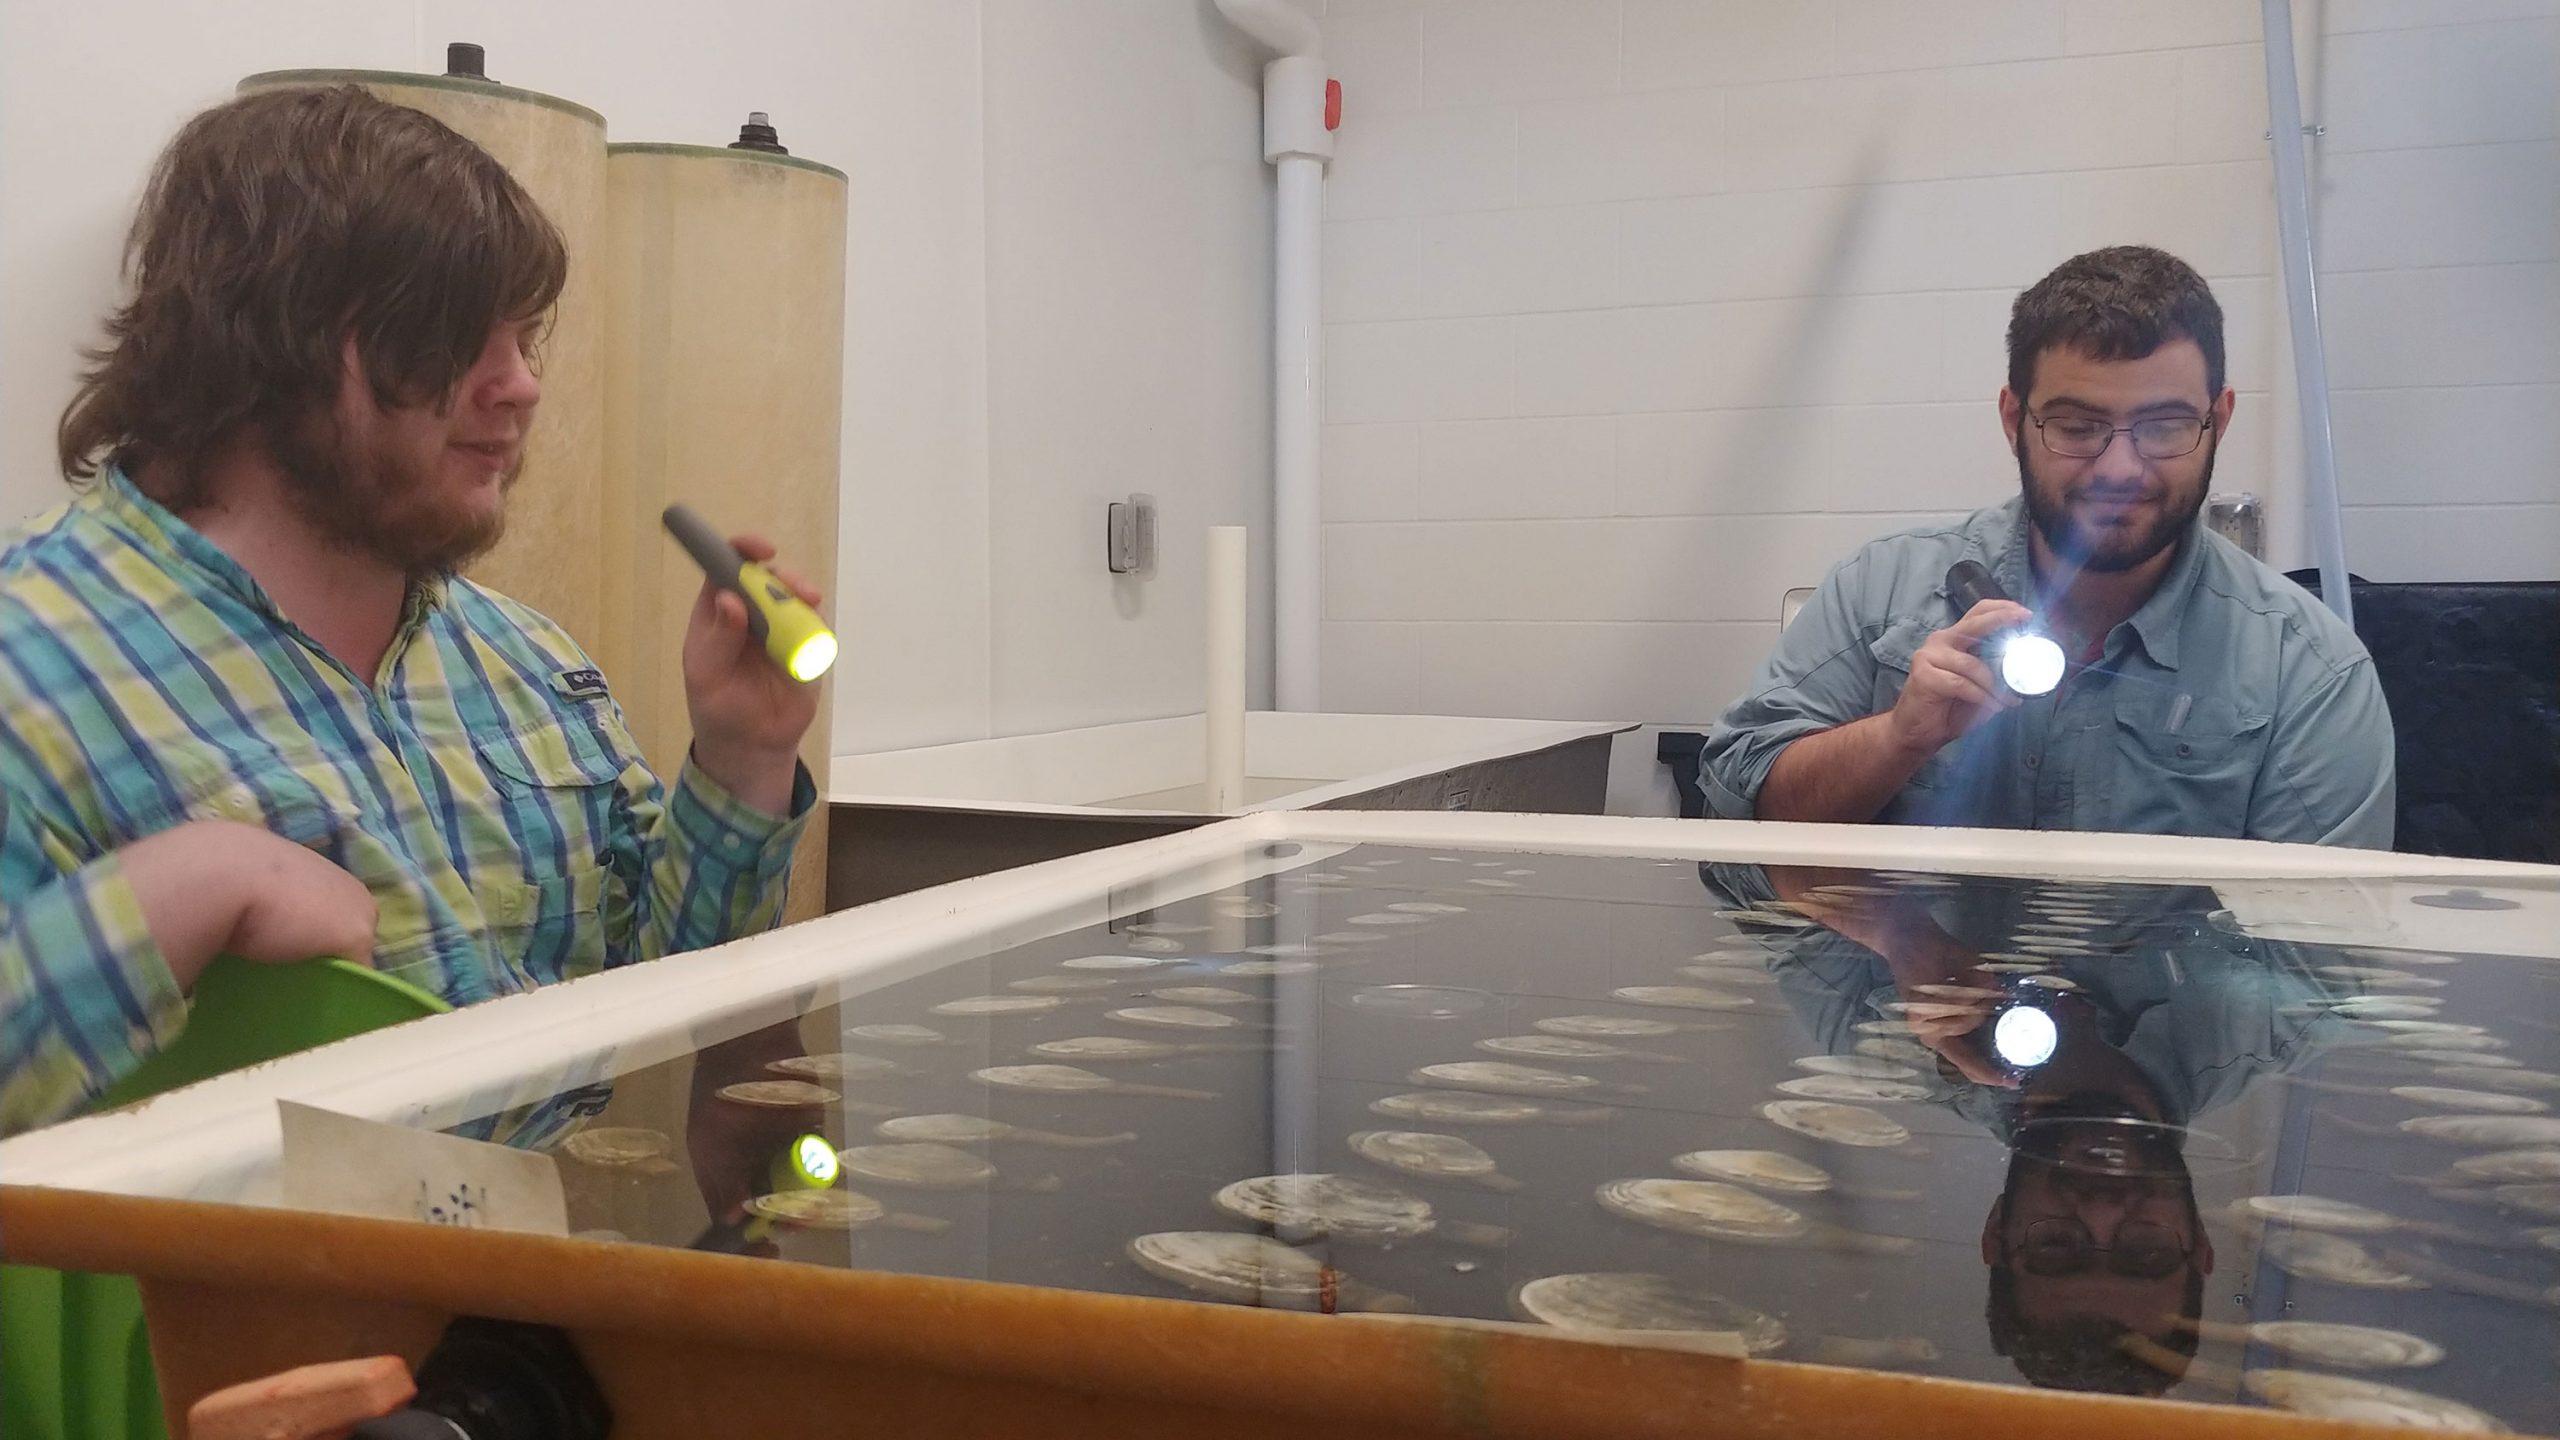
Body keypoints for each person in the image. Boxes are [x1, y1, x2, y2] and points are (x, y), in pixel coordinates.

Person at [0, 87, 823, 1135]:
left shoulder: (526, 662)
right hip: (289, 1298)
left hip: (585, 1272)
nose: (521, 386)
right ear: (272, 336)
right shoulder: (27, 663)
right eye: (455, 336)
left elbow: (672, 1028)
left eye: (524, 340)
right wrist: (180, 892)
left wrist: (741, 762)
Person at [1699, 246, 2395, 849]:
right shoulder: (1880, 591)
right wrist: (1896, 739)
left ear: (2219, 420)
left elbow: (2313, 959)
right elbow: (1733, 815)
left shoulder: (2307, 673)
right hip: (1902, 1003)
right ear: (2014, 420)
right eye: (2077, 425)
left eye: (2164, 426)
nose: (2120, 469)